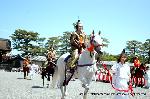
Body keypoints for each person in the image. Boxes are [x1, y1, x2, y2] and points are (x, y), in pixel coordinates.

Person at [64, 20, 86, 85]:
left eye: (81, 26)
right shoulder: (74, 33)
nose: (81, 27)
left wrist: (85, 46)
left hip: (82, 48)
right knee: (76, 56)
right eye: (79, 26)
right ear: (77, 27)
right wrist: (78, 45)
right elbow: (72, 41)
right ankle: (70, 68)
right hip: (75, 48)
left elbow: (85, 41)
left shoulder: (83, 34)